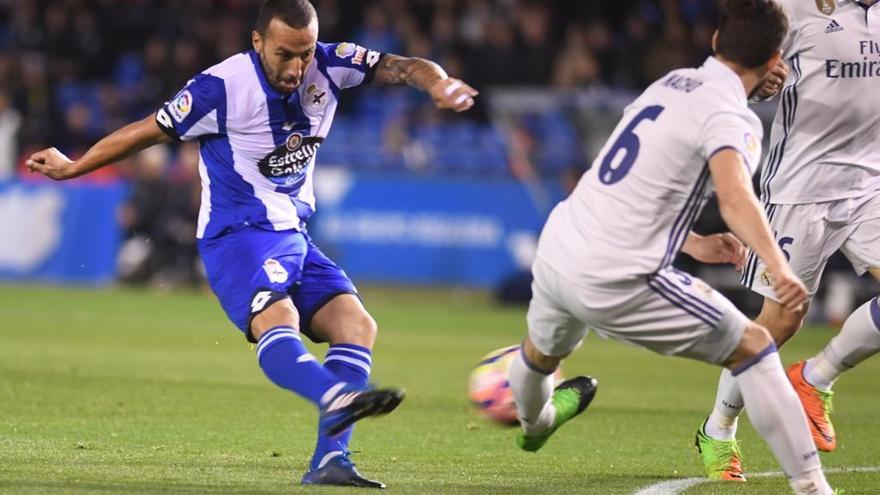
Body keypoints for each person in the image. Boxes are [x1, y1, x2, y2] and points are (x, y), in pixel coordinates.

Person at [26, 0, 478, 488]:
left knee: (355, 324)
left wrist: (438, 83)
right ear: (258, 41)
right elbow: (147, 131)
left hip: (293, 233)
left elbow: (403, 66)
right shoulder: (218, 87)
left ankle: (331, 461)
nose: (297, 67)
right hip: (236, 235)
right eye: (285, 54)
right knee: (276, 317)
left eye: (304, 53)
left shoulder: (331, 63)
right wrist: (74, 167)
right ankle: (334, 396)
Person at [506, 1, 836, 493]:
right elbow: (734, 196)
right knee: (756, 348)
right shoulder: (733, 118)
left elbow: (635, 186)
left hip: (559, 247)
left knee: (539, 355)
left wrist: (695, 242)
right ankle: (813, 487)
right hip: (616, 277)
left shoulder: (671, 83)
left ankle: (536, 425)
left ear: (714, 42)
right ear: (774, 61)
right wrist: (777, 266)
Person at [696, 0, 880, 481]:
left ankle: (816, 377)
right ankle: (718, 427)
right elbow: (738, 68)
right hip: (803, 187)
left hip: (870, 186)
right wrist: (763, 84)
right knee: (778, 322)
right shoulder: (791, 8)